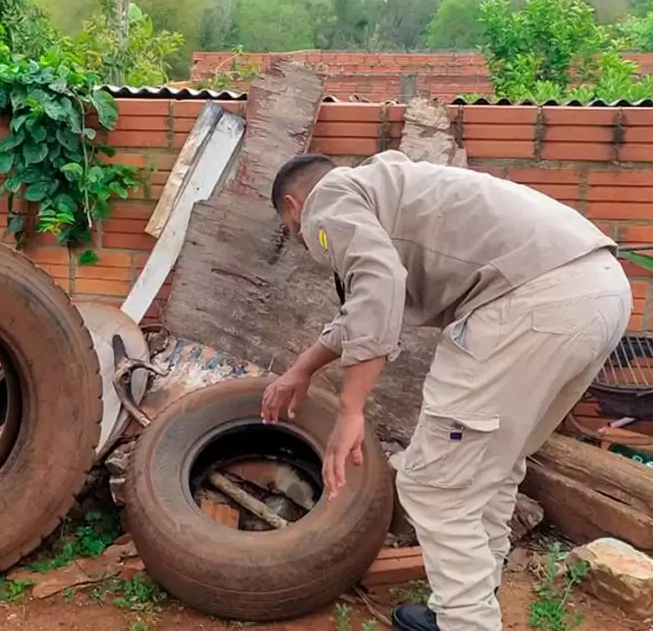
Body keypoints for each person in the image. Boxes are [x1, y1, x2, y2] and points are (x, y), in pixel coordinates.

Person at [260, 150, 632, 631]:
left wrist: (351, 410)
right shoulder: (389, 187)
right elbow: (361, 307)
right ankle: (469, 602)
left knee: (432, 485)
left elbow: (378, 285)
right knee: (494, 466)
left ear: (294, 207)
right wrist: (302, 369)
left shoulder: (326, 202)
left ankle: (467, 622)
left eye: (295, 234)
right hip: (599, 290)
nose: (305, 242)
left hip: (529, 303)